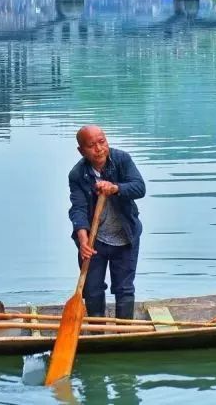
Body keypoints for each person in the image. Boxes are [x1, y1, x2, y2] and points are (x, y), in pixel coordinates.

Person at [67, 125, 146, 321]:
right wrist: (83, 239)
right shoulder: (77, 175)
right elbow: (78, 208)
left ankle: (123, 330)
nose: (99, 149)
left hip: (126, 236)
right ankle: (98, 332)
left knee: (124, 288)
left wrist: (115, 188)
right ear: (81, 151)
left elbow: (139, 187)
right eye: (91, 145)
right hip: (95, 243)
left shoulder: (122, 160)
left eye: (102, 142)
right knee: (92, 289)